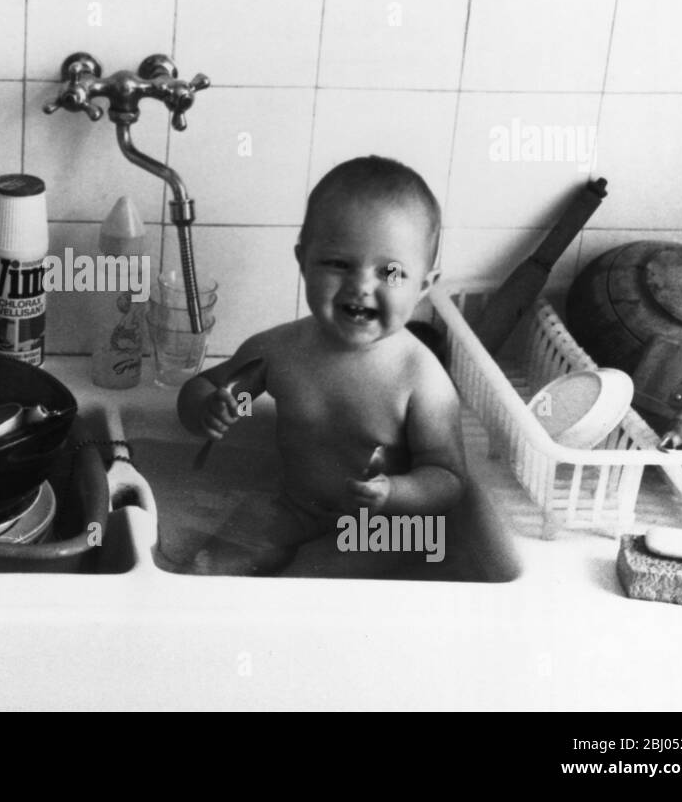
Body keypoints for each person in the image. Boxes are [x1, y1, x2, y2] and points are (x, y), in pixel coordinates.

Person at [174, 156, 466, 576]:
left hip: (390, 525)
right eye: (338, 263)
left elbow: (449, 478)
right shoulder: (278, 349)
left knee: (314, 583)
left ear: (423, 285)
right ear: (303, 261)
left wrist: (395, 493)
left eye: (391, 271)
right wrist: (208, 409)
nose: (361, 285)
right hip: (295, 504)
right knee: (208, 567)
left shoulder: (421, 379)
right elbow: (200, 390)